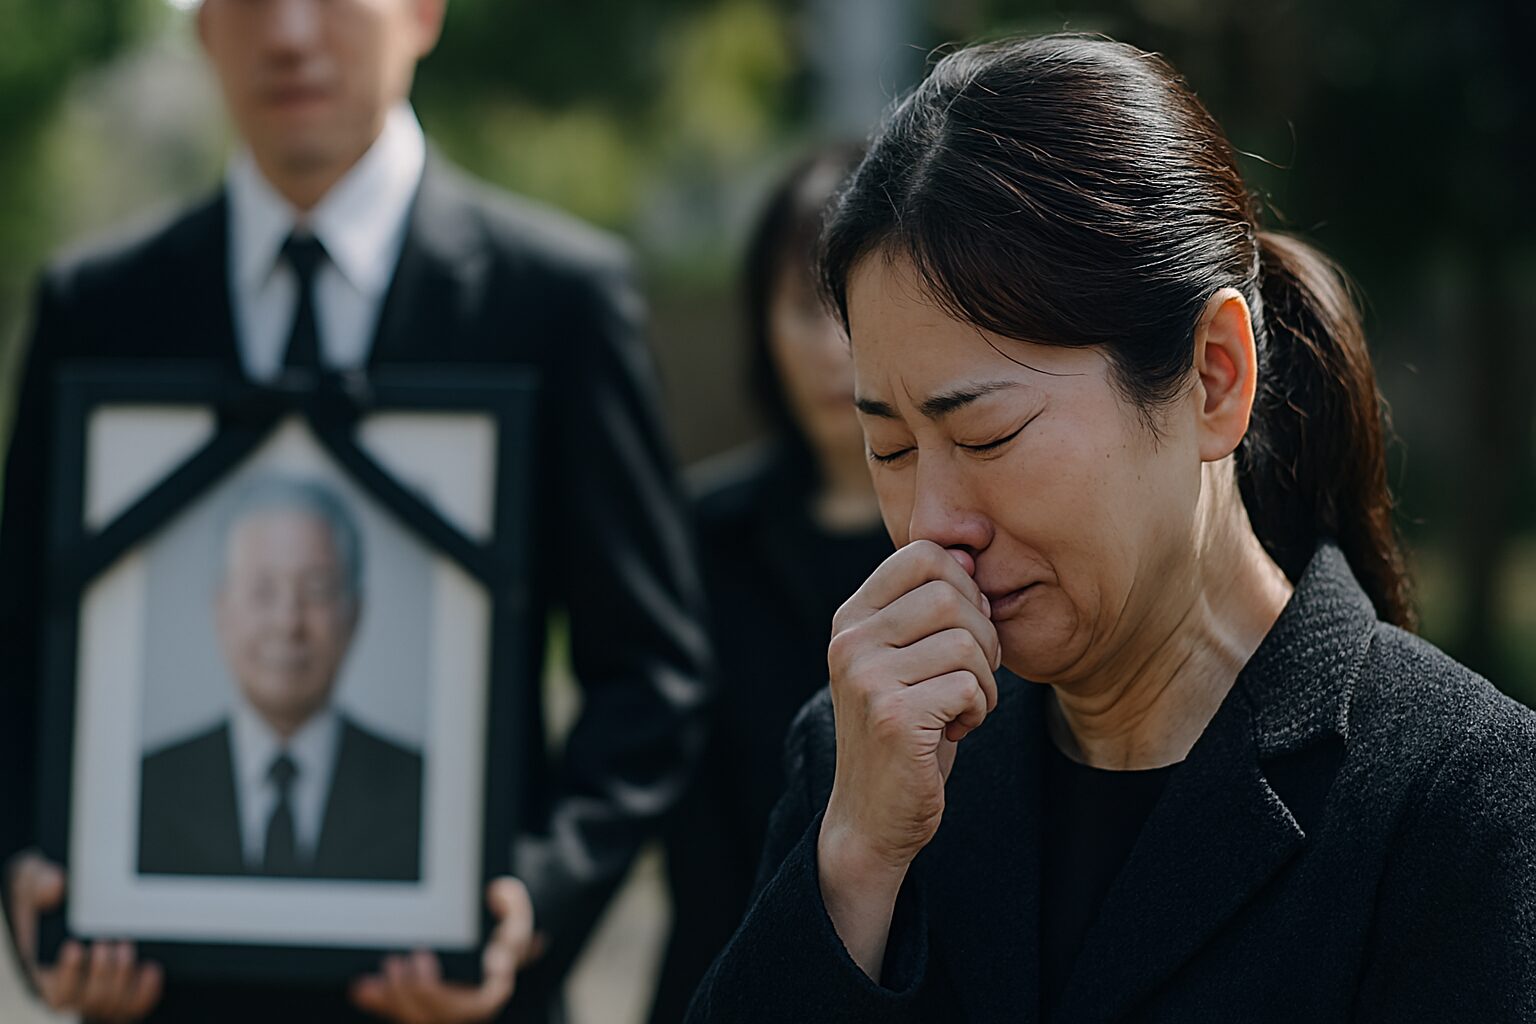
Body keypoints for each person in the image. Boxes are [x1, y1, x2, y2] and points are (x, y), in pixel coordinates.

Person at [687, 33, 1536, 1023]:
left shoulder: (1461, 805)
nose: (931, 524)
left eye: (989, 433)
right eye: (892, 449)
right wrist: (855, 867)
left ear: (1215, 375)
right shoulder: (859, 767)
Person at [0, 1, 708, 1022]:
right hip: (164, 993)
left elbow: (653, 672)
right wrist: (37, 867)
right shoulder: (97, 307)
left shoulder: (558, 300)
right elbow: (21, 641)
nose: (290, 34)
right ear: (199, 26)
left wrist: (530, 900)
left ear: (422, 11)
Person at [647, 147, 890, 1024]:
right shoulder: (697, 535)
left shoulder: (974, 539)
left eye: (851, 308)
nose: (833, 347)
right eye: (801, 308)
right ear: (760, 322)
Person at [138, 476, 424, 882]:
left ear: (356, 613)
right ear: (221, 610)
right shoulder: (146, 791)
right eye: (263, 590)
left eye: (318, 589)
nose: (288, 622)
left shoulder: (424, 797)